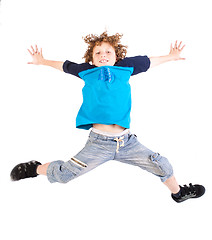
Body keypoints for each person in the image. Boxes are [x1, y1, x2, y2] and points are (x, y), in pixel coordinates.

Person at [10, 32, 205, 203]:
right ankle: (34, 169)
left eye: (108, 52)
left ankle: (179, 194)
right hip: (98, 144)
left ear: (116, 56)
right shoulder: (87, 71)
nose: (103, 55)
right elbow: (64, 66)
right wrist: (42, 61)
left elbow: (149, 62)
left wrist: (171, 56)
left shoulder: (126, 67)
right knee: (65, 174)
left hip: (127, 143)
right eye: (98, 53)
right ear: (92, 59)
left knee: (163, 165)